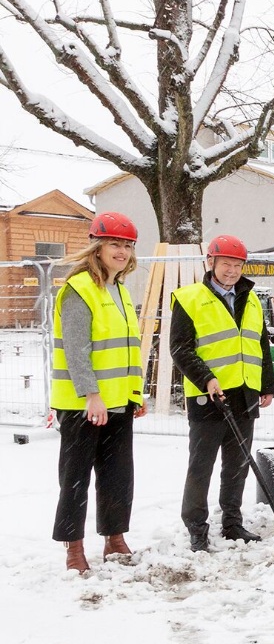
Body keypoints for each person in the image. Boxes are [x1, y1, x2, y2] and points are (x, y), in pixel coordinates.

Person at [169, 234, 274, 552]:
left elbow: (260, 345)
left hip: (244, 394)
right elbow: (180, 348)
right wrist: (206, 379)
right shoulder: (189, 298)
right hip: (209, 396)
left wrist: (267, 385)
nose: (232, 271)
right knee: (201, 465)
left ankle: (232, 523)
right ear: (211, 263)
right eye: (226, 264)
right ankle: (196, 527)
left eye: (237, 265)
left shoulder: (251, 299)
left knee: (237, 464)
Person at [50, 212, 146, 573]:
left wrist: (135, 393)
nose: (121, 252)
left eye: (127, 246)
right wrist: (92, 395)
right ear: (97, 247)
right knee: (75, 477)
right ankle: (74, 547)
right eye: (114, 244)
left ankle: (114, 537)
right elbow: (76, 349)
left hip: (118, 401)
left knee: (118, 473)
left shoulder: (118, 289)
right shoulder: (78, 289)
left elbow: (125, 347)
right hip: (82, 403)